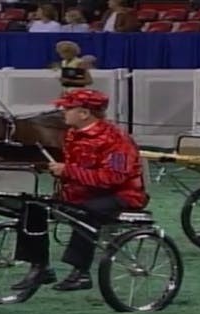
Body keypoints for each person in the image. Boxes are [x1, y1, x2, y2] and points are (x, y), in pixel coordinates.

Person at [11, 89, 149, 291]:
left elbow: (115, 177)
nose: (62, 112)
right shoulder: (73, 135)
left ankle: (81, 272)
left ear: (84, 113)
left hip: (121, 195)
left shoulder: (117, 139)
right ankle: (40, 265)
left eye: (67, 108)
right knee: (32, 207)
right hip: (81, 194)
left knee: (85, 211)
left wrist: (68, 171)